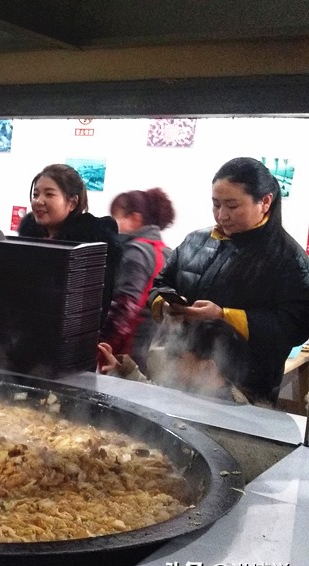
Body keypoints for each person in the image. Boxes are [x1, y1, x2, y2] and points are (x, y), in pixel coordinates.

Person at [149, 156, 309, 405]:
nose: (222, 215)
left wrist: (224, 315)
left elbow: (295, 327)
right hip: (180, 371)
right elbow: (160, 283)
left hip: (242, 389)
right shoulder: (195, 240)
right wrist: (166, 304)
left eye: (232, 206)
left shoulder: (288, 258)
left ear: (265, 202)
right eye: (216, 204)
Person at [16, 163, 122, 324]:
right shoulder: (27, 241)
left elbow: (95, 306)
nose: (38, 201)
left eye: (49, 195)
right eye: (36, 194)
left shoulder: (91, 247)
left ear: (72, 203)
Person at [100, 187, 175, 372]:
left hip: (126, 353)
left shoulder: (136, 252)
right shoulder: (167, 252)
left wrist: (101, 344)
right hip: (150, 353)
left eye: (114, 218)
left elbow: (124, 306)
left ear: (134, 219)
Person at [97, 319, 251, 404]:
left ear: (208, 369)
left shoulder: (227, 416)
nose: (172, 364)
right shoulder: (191, 389)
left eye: (179, 358)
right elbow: (156, 396)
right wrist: (122, 369)